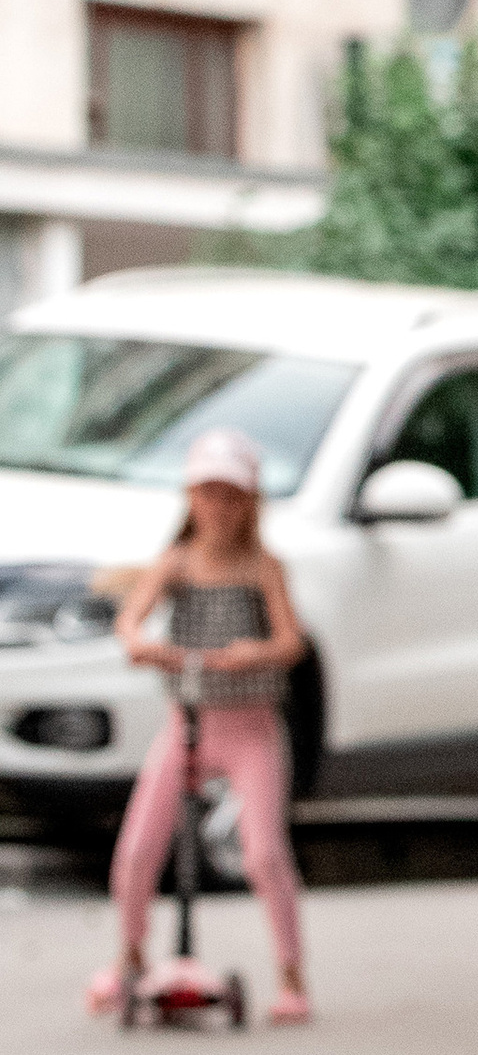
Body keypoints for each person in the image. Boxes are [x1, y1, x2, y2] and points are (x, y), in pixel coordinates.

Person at [93, 424, 312, 1022]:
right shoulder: (178, 564)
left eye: (230, 496)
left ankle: (292, 976)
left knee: (264, 851)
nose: (217, 509)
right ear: (191, 499)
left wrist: (255, 651)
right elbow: (132, 620)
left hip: (250, 729)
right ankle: (129, 958)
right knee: (139, 847)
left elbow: (292, 640)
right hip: (186, 721)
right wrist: (142, 643)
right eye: (206, 494)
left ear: (248, 503)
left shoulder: (264, 567)